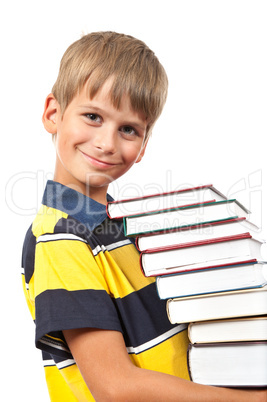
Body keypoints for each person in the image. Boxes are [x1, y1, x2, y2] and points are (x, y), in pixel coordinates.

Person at [21, 31, 266, 401]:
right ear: (53, 113)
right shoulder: (61, 237)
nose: (106, 143)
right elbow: (115, 388)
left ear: (143, 146)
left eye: (128, 129)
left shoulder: (121, 228)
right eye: (92, 116)